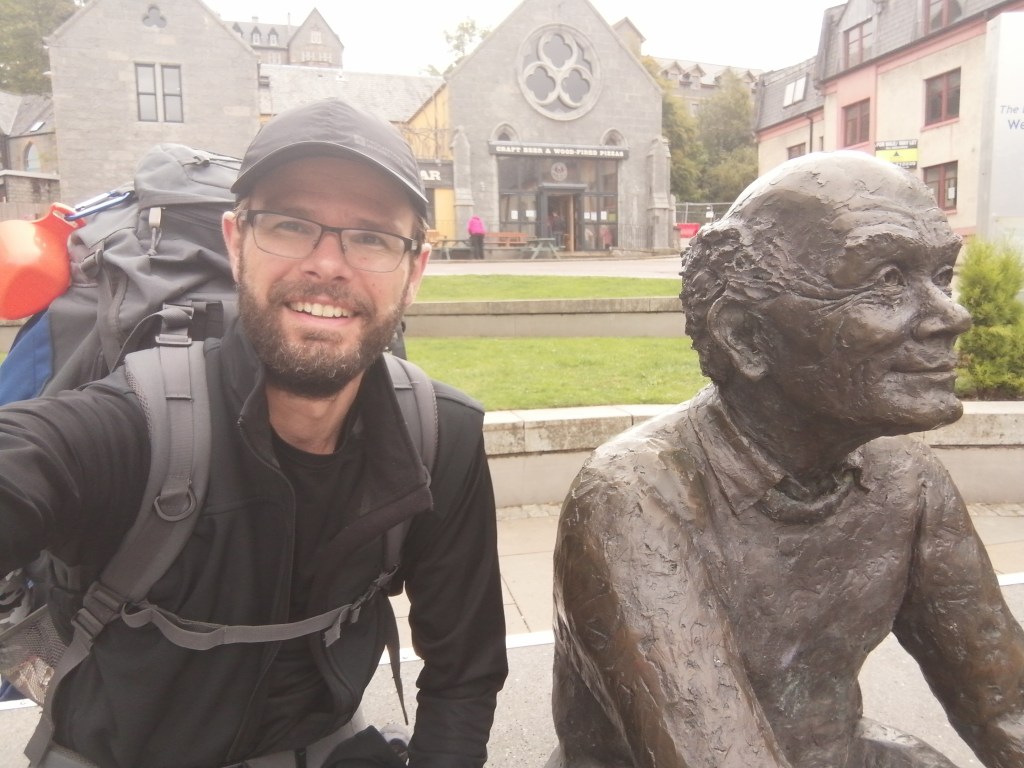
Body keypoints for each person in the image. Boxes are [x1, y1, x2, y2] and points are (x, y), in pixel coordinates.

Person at [0, 97, 508, 767]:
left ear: (413, 271)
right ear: (236, 242)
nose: (328, 264)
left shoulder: (439, 438)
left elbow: (463, 676)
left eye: (372, 236)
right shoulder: (133, 429)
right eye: (291, 225)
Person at [546, 151, 1024, 768]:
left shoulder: (908, 478)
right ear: (746, 334)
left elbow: (1008, 707)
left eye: (942, 276)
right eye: (887, 280)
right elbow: (716, 755)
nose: (952, 316)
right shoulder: (631, 499)